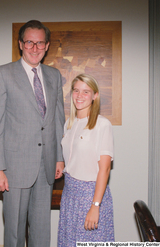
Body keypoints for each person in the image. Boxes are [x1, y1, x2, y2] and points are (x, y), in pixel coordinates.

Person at [0, 20, 65, 247]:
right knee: (14, 230)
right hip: (14, 167)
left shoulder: (54, 75)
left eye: (40, 43)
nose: (34, 48)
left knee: (41, 230)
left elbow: (57, 119)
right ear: (21, 44)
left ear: (47, 45)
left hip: (46, 166)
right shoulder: (3, 74)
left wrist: (59, 157)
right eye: (29, 42)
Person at [58, 73, 114, 246]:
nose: (79, 96)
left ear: (95, 96)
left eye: (86, 92)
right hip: (69, 194)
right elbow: (70, 154)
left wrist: (95, 205)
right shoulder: (69, 123)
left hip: (90, 195)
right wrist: (61, 164)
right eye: (76, 90)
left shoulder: (102, 124)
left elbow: (104, 169)